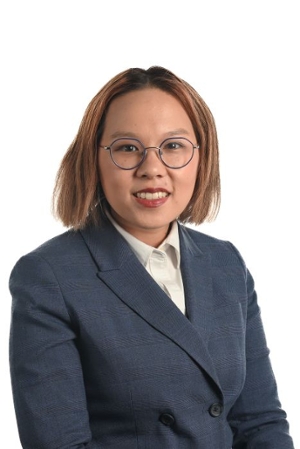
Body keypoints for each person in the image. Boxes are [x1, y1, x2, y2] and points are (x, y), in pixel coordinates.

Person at [9, 66, 294, 449]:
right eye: (128, 148)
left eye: (174, 146)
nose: (152, 169)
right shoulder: (49, 277)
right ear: (94, 159)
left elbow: (260, 423)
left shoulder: (225, 264)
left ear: (201, 157)